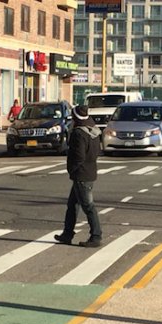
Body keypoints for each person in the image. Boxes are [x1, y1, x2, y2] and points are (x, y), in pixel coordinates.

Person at [55, 105, 102, 248]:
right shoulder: (93, 131)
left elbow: (78, 156)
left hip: (81, 174)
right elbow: (97, 152)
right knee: (72, 205)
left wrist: (71, 169)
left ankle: (96, 236)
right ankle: (67, 234)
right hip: (89, 171)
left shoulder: (78, 133)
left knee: (88, 206)